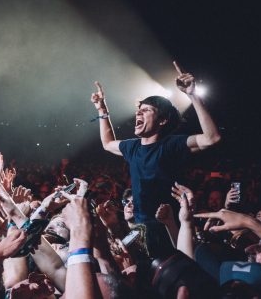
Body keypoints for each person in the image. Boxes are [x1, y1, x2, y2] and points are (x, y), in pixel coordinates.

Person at [90, 61, 221, 258]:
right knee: (125, 262)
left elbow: (212, 138)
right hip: (139, 227)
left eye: (146, 110)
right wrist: (102, 110)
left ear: (162, 120)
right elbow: (107, 143)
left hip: (167, 227)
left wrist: (192, 95)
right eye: (138, 110)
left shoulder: (170, 144)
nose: (138, 112)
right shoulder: (132, 146)